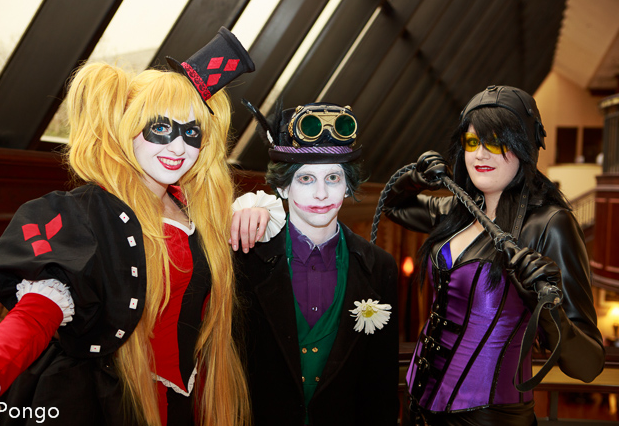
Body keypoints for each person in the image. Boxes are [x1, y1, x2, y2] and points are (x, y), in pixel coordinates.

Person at [0, 28, 278, 426]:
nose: (178, 148)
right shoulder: (88, 215)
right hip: (106, 401)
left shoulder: (198, 211)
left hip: (190, 401)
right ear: (128, 128)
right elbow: (39, 311)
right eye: (161, 128)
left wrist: (258, 210)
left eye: (191, 133)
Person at [382, 85, 605, 425]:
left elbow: (588, 365)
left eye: (497, 142)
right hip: (415, 406)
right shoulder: (459, 210)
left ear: (524, 148)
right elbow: (393, 206)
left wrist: (546, 306)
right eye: (472, 142)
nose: (480, 155)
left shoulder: (550, 224)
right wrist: (416, 177)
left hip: (489, 416)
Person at [236, 101, 399, 426]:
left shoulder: (379, 267)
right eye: (307, 178)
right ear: (283, 186)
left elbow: (380, 385)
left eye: (333, 178)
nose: (322, 193)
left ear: (348, 185)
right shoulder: (246, 258)